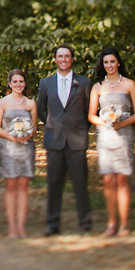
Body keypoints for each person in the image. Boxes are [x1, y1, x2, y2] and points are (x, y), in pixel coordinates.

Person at [37, 45, 93, 236]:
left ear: (72, 59)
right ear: (55, 59)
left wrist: (79, 127)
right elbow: (41, 110)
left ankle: (85, 222)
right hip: (54, 140)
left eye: (67, 56)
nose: (63, 59)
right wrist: (52, 124)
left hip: (76, 140)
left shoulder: (84, 82)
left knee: (80, 182)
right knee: (54, 183)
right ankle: (52, 223)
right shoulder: (45, 83)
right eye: (60, 56)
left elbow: (88, 111)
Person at [88, 48, 135, 237]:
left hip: (124, 133)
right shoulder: (97, 87)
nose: (109, 65)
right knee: (108, 180)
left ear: (118, 62)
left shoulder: (129, 84)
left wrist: (122, 123)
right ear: (102, 65)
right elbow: (91, 115)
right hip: (105, 135)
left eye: (112, 62)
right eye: (106, 62)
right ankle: (111, 224)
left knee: (121, 179)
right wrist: (105, 122)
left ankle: (124, 225)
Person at [0, 69, 37, 238]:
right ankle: (11, 226)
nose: (18, 85)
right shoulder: (2, 103)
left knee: (23, 186)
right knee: (10, 186)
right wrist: (12, 136)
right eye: (15, 82)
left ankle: (21, 225)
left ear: (25, 84)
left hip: (25, 148)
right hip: (8, 148)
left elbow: (34, 128)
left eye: (21, 82)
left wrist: (26, 134)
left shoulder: (31, 103)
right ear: (10, 84)